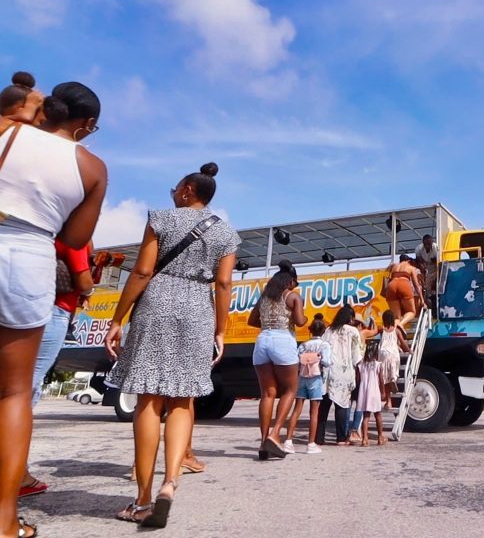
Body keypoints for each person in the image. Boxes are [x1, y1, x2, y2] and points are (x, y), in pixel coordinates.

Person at [105, 163, 239, 528]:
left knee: (149, 398)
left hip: (158, 302)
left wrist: (118, 318)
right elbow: (224, 285)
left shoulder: (161, 219)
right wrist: (220, 330)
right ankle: (170, 482)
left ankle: (144, 499)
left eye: (175, 188)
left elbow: (143, 271)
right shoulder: (227, 233)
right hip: (198, 308)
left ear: (187, 192)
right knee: (183, 398)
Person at [0, 81, 107, 538]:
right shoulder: (91, 166)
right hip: (26, 257)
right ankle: (4, 522)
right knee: (15, 392)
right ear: (85, 125)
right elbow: (77, 238)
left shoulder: (6, 132)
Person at [20, 239, 94, 498]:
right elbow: (84, 281)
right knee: (27, 390)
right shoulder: (73, 236)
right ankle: (17, 474)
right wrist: (88, 290)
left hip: (26, 302)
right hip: (54, 310)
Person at [248, 260, 307, 460]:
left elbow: (252, 320)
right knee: (291, 390)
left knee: (267, 393)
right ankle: (275, 435)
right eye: (295, 283)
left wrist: (268, 324)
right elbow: (299, 321)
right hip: (283, 340)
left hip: (263, 340)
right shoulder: (293, 297)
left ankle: (264, 443)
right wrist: (305, 319)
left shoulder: (264, 297)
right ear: (290, 282)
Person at [283, 314, 331, 455]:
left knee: (297, 410)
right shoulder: (324, 345)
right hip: (316, 378)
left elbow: (296, 360)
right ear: (323, 331)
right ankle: (311, 444)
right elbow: (327, 362)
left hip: (302, 377)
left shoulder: (303, 345)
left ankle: (288, 441)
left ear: (310, 330)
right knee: (314, 412)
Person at [316, 304, 362, 445]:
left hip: (328, 372)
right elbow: (357, 357)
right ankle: (341, 438)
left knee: (323, 407)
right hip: (344, 372)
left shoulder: (328, 330)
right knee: (342, 405)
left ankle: (319, 438)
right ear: (350, 318)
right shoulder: (353, 331)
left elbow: (321, 350)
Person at [347, 312, 378, 444]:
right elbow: (375, 331)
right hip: (360, 370)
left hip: (350, 369)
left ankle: (346, 430)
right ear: (360, 324)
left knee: (348, 402)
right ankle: (355, 429)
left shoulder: (348, 334)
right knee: (359, 403)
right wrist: (373, 321)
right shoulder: (363, 333)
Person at [385, 254, 426, 332]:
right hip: (403, 284)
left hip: (392, 286)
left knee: (397, 317)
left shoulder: (394, 266)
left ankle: (394, 329)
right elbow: (416, 285)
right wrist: (422, 300)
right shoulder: (411, 268)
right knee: (411, 312)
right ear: (408, 261)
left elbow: (387, 277)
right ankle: (401, 324)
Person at [379, 309, 411, 409]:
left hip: (383, 354)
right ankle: (393, 378)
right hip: (393, 354)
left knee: (384, 378)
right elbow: (403, 344)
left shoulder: (381, 330)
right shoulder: (397, 331)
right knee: (392, 374)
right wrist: (409, 350)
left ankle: (388, 401)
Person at [357, 340, 386, 446]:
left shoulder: (360, 365)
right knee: (378, 414)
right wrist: (383, 392)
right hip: (375, 391)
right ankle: (380, 437)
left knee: (366, 415)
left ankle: (364, 439)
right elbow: (381, 380)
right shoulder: (378, 365)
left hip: (364, 392)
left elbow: (358, 380)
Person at [415, 234, 439, 299]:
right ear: (423, 243)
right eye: (426, 244)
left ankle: (435, 294)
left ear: (432, 242)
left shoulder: (436, 248)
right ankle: (429, 297)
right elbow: (419, 261)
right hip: (426, 266)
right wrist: (423, 267)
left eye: (429, 244)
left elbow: (439, 263)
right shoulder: (418, 249)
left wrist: (435, 276)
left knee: (435, 282)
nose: (428, 246)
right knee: (426, 285)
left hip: (436, 267)